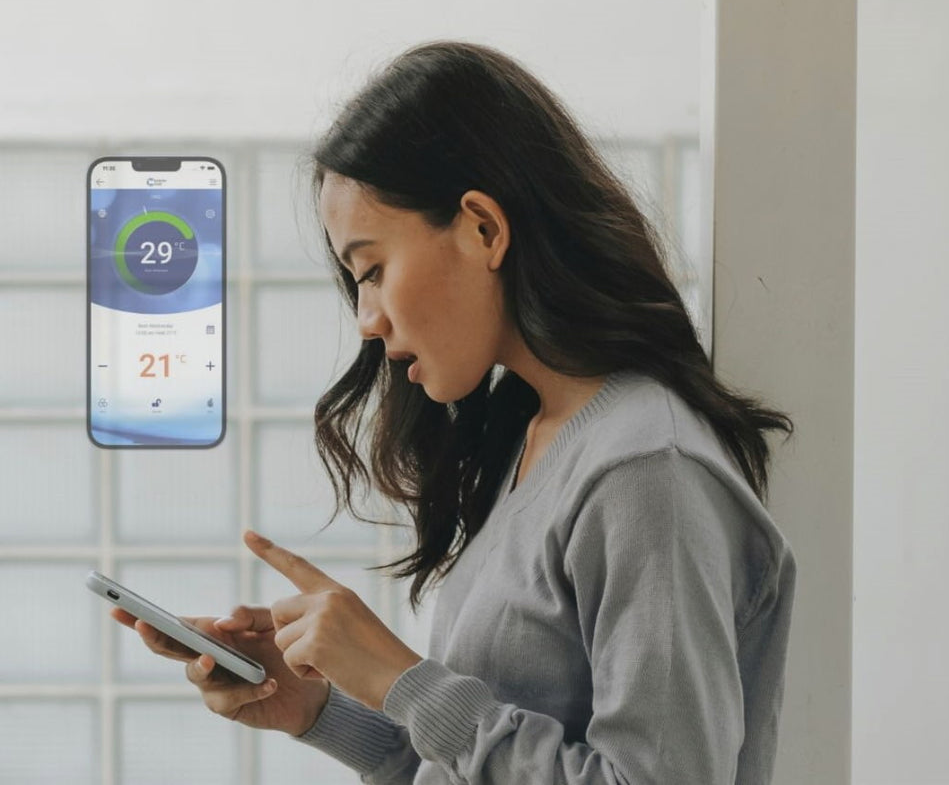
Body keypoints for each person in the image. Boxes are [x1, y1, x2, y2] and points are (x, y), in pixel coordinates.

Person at [112, 40, 797, 784]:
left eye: (372, 270)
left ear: (483, 228)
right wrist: (315, 708)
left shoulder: (641, 471)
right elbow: (471, 759)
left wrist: (401, 678)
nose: (367, 320)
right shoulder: (531, 441)